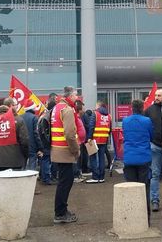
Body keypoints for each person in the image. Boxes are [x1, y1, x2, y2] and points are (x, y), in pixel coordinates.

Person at [51, 86, 80, 224]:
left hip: (57, 149)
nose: (77, 97)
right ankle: (60, 213)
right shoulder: (67, 110)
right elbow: (69, 133)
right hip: (64, 150)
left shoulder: (57, 107)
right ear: (70, 96)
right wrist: (76, 150)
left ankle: (61, 211)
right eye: (75, 95)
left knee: (63, 181)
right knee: (65, 183)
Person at [122, 99, 153, 222]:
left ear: (131, 108)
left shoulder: (125, 121)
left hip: (129, 157)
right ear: (142, 108)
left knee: (130, 187)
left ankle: (131, 217)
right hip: (144, 157)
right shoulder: (147, 121)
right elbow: (151, 136)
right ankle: (145, 218)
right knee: (144, 188)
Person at [0, 104, 29, 172]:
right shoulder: (19, 120)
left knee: (0, 181)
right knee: (15, 181)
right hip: (15, 160)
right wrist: (25, 154)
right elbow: (24, 140)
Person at [87, 100, 111, 184]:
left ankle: (95, 177)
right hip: (104, 139)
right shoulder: (109, 116)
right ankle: (101, 177)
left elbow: (91, 126)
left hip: (94, 139)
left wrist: (89, 137)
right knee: (101, 158)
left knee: (93, 157)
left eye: (96, 105)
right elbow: (109, 129)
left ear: (99, 106)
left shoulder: (95, 114)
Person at [38, 98, 56, 185]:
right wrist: (48, 142)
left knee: (45, 160)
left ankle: (44, 177)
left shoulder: (45, 116)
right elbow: (45, 132)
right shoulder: (47, 117)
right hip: (46, 143)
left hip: (44, 142)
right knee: (46, 159)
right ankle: (46, 178)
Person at [21, 100, 41, 171]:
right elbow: (36, 133)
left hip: (22, 145)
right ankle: (31, 180)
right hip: (32, 146)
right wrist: (40, 147)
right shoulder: (34, 118)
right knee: (32, 167)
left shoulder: (20, 117)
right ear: (32, 108)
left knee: (22, 165)